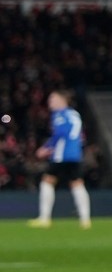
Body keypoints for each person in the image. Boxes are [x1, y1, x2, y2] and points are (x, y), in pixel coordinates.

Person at [30, 90, 90, 229]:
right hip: (75, 154)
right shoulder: (74, 114)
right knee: (77, 184)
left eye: (52, 99)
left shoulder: (59, 115)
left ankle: (44, 218)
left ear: (62, 100)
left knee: (47, 181)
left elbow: (60, 134)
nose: (50, 102)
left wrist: (46, 148)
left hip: (61, 155)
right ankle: (85, 220)